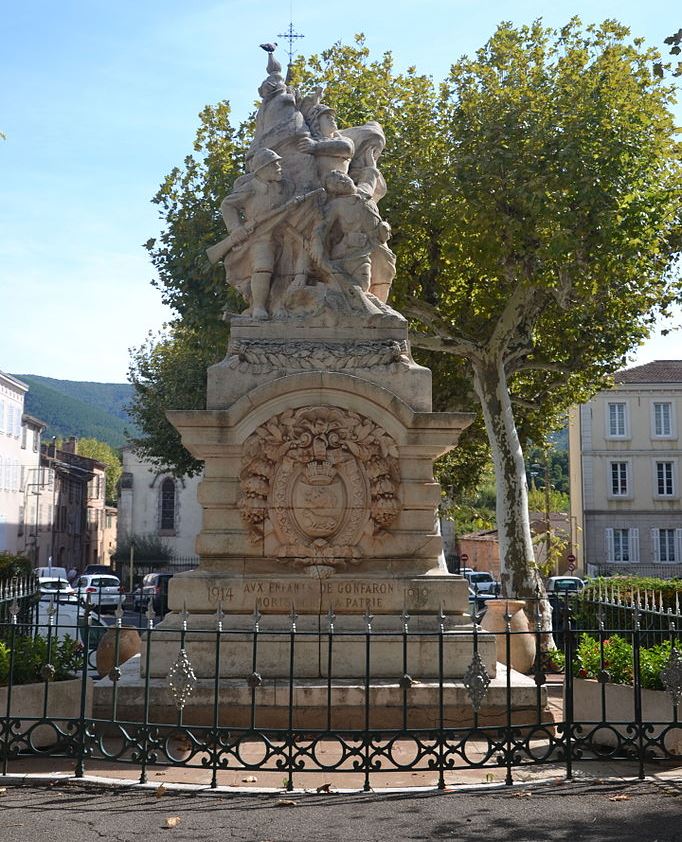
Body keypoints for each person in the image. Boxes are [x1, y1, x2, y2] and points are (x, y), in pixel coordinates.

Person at [219, 148, 291, 319]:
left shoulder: (282, 187)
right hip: (260, 236)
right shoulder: (250, 188)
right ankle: (259, 307)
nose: (279, 167)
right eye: (275, 164)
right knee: (262, 267)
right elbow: (227, 205)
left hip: (284, 236)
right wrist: (235, 228)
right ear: (263, 169)